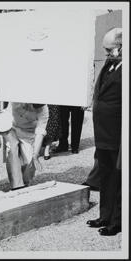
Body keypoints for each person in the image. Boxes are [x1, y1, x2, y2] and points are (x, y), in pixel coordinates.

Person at [86, 28, 122, 236]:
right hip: (102, 133)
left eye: (109, 50)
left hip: (117, 134)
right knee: (106, 176)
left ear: (122, 46)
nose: (106, 54)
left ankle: (117, 221)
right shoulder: (109, 65)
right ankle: (105, 215)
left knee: (118, 179)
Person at [5, 103, 49, 190]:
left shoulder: (44, 110)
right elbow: (7, 116)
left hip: (29, 134)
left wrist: (35, 155)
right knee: (13, 157)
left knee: (28, 162)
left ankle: (25, 184)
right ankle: (14, 186)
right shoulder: (15, 101)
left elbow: (40, 133)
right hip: (12, 129)